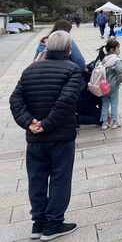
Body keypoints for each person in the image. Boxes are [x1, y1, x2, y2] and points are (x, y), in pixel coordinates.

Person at [9, 31, 83, 241]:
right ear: (68, 49)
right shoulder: (72, 70)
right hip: (60, 135)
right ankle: (53, 223)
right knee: (60, 178)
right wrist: (46, 124)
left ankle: (38, 222)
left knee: (37, 179)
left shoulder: (30, 69)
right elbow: (66, 101)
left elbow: (15, 100)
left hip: (35, 136)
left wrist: (29, 122)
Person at [99, 38, 122, 130]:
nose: (119, 50)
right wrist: (119, 80)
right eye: (118, 48)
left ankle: (104, 123)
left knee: (105, 104)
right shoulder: (116, 60)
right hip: (113, 86)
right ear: (112, 49)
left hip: (103, 86)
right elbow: (120, 71)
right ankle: (114, 122)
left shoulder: (104, 59)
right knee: (114, 103)